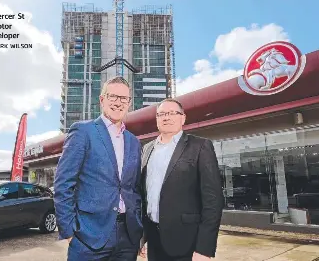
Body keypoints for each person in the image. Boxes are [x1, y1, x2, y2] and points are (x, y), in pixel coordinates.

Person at [54, 76, 143, 261]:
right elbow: (63, 184)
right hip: (88, 236)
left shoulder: (134, 141)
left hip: (127, 236)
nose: (118, 102)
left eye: (123, 98)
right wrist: (69, 232)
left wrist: (138, 225)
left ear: (129, 103)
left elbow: (134, 188)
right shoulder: (82, 131)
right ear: (102, 100)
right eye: (113, 96)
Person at [139, 98, 224, 261]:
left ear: (183, 118)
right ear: (156, 119)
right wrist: (144, 237)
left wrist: (204, 248)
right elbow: (144, 196)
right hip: (154, 240)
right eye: (161, 114)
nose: (166, 117)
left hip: (187, 242)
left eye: (172, 113)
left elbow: (213, 200)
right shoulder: (147, 149)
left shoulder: (200, 146)